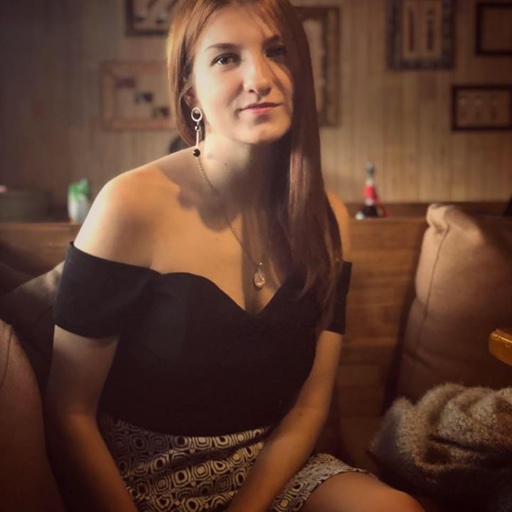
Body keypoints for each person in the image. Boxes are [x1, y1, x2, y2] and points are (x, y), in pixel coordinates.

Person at [45, 1, 425, 511]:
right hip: (143, 475)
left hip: (274, 465)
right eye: (226, 58)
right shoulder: (127, 205)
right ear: (191, 93)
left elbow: (308, 407)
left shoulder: (328, 218)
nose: (260, 78)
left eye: (277, 52)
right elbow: (69, 412)